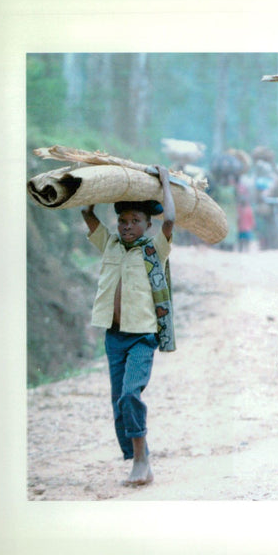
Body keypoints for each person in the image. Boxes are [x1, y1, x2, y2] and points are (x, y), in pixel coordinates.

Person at [80, 165, 176, 487]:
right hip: (114, 337)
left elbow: (171, 220)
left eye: (136, 221)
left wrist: (164, 182)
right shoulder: (110, 245)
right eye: (123, 220)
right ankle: (140, 457)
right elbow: (87, 214)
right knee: (118, 402)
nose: (128, 226)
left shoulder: (154, 249)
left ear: (148, 224)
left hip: (142, 337)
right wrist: (92, 188)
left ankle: (140, 460)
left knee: (130, 395)